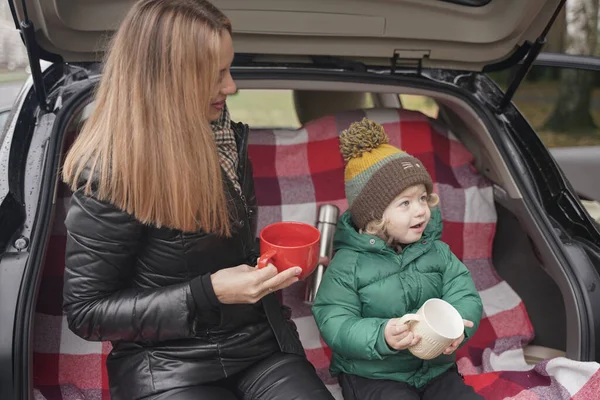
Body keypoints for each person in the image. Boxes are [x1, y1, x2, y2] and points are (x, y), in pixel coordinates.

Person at [61, 1, 333, 399]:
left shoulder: (225, 139)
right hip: (166, 367)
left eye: (229, 67)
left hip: (260, 349)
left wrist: (281, 264)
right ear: (168, 79)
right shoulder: (109, 172)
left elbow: (211, 252)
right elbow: (87, 313)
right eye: (216, 73)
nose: (232, 86)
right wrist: (206, 293)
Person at [312, 118, 484, 400]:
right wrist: (382, 334)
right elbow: (335, 320)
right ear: (374, 217)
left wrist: (460, 325)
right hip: (374, 375)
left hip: (435, 370)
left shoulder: (438, 252)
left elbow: (464, 293)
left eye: (422, 199)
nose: (420, 211)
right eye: (405, 203)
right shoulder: (348, 264)